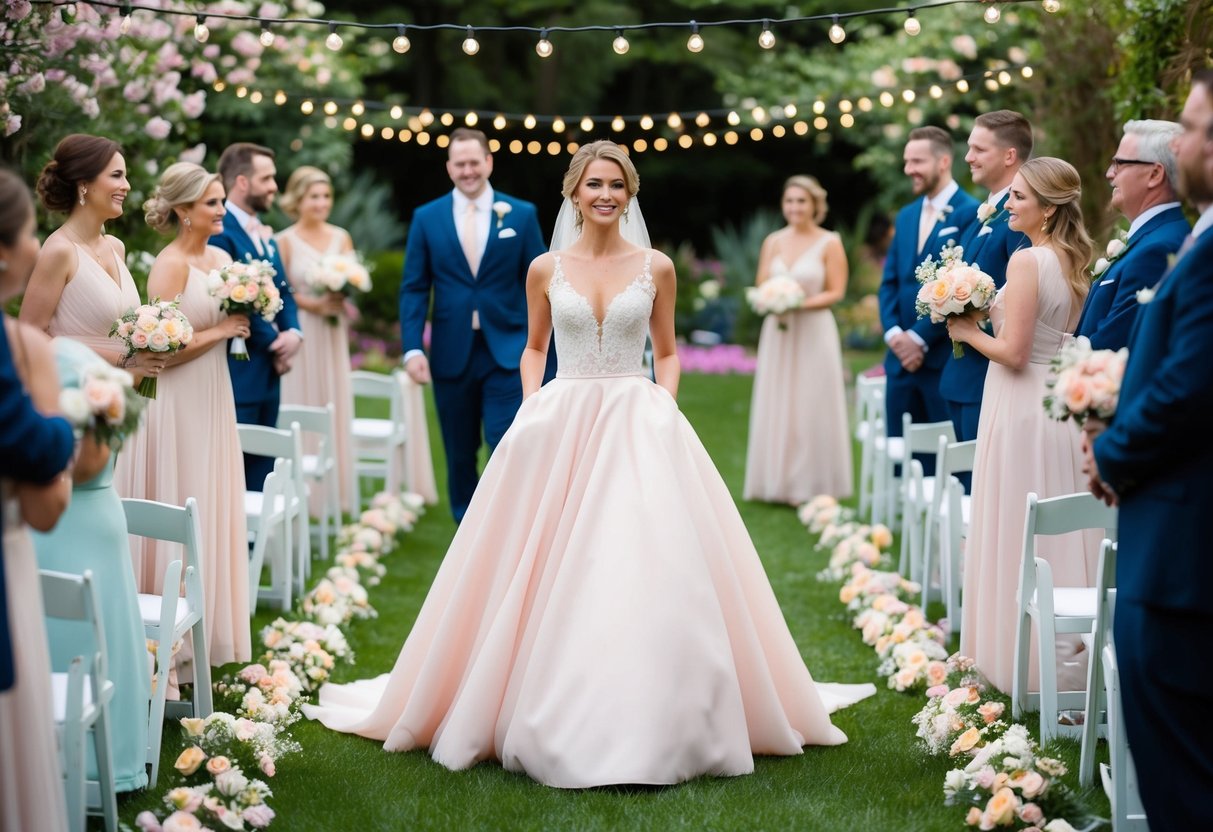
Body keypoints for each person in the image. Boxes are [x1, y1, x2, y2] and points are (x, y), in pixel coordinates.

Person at [305, 141, 874, 788]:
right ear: (572, 193)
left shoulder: (656, 266)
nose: (605, 195)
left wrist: (663, 403)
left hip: (636, 416)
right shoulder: (545, 267)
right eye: (593, 184)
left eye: (616, 185)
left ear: (628, 195)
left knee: (641, 555)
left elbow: (667, 352)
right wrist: (529, 406)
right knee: (543, 556)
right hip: (563, 412)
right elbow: (534, 346)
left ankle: (660, 705)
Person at [1085, 70, 1213, 831]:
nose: (1186, 137)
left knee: (1181, 778)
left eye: (1197, 127)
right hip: (1175, 528)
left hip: (1182, 549)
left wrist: (1112, 452)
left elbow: (1188, 387)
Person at [947, 158, 1102, 696]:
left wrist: (966, 329)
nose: (1007, 204)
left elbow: (1013, 353)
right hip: (1055, 404)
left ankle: (1021, 664)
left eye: (1018, 197)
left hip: (1018, 403)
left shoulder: (1027, 260)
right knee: (1058, 522)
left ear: (1048, 206)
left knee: (1016, 524)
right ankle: (1064, 664)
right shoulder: (1075, 260)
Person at [25, 138, 152, 793]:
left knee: (111, 585)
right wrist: (121, 350)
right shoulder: (57, 252)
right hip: (76, 422)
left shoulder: (117, 249)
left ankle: (119, 754)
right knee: (82, 582)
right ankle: (63, 749)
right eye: (118, 175)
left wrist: (143, 347)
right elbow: (34, 339)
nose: (127, 185)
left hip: (114, 414)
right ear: (83, 186)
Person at [114, 162, 253, 666]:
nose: (221, 210)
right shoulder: (169, 265)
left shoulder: (220, 255)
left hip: (213, 394)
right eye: (212, 203)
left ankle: (205, 636)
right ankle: (161, 647)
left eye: (220, 200)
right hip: (174, 402)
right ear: (184, 211)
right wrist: (222, 331)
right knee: (182, 492)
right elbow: (163, 351)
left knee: (210, 494)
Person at [398, 128, 547, 522]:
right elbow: (414, 288)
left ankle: (509, 525)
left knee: (506, 443)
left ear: (489, 162)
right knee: (459, 453)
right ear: (449, 168)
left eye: (474, 162)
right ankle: (466, 529)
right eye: (459, 164)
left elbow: (542, 281)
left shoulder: (521, 214)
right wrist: (413, 347)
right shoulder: (426, 218)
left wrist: (545, 343)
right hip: (452, 351)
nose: (468, 171)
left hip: (509, 350)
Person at [0, 167, 74, 832]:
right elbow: (42, 482)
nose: (34, 246)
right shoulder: (17, 351)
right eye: (26, 235)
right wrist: (64, 423)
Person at [744, 175, 852, 504]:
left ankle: (811, 485)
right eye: (789, 201)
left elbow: (836, 291)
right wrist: (772, 297)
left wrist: (797, 302)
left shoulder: (829, 242)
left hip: (814, 331)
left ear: (814, 205)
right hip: (778, 332)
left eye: (801, 201)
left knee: (810, 402)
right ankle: (775, 482)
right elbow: (761, 282)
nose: (794, 207)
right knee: (779, 399)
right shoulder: (773, 241)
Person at [879, 126, 979, 472]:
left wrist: (919, 338)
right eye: (907, 161)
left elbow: (963, 283)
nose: (909, 169)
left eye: (917, 161)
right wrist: (895, 335)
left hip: (939, 359)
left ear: (944, 161)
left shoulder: (970, 212)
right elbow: (890, 282)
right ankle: (903, 525)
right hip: (899, 362)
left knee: (946, 464)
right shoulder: (906, 215)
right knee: (901, 458)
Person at [209, 142, 302, 492]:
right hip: (242, 368)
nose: (275, 186)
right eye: (268, 179)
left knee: (263, 469)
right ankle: (236, 542)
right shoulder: (222, 230)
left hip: (269, 370)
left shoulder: (264, 232)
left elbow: (283, 290)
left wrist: (294, 332)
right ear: (243, 182)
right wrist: (277, 343)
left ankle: (254, 543)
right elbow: (234, 300)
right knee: (236, 465)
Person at [941, 110, 1032, 444]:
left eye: (979, 149)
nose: (968, 157)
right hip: (961, 378)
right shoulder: (983, 214)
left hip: (989, 378)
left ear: (1009, 155)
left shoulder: (1020, 217)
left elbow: (1020, 302)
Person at [276, 166, 357, 516]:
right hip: (303, 330)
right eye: (314, 196)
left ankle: (333, 496)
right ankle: (298, 495)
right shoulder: (284, 241)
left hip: (332, 331)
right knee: (301, 401)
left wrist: (339, 298)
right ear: (298, 200)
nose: (322, 203)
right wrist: (315, 304)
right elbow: (282, 292)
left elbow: (352, 278)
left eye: (326, 196)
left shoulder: (342, 237)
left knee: (332, 400)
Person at [1074, 119, 1189, 350]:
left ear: (1155, 174)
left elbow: (1111, 345)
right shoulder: (1151, 239)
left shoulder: (1159, 249)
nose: (1109, 173)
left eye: (1119, 163)